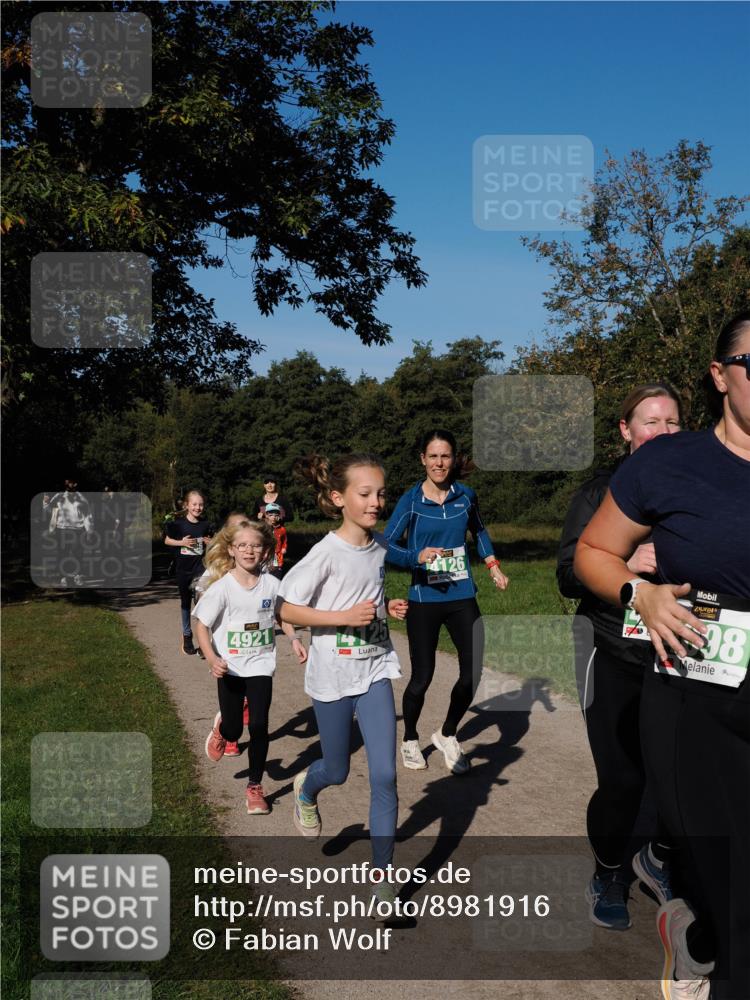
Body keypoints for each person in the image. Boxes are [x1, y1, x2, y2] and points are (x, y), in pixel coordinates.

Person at [574, 312, 750, 1000]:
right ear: (720, 375)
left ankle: (693, 935)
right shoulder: (669, 463)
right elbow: (592, 552)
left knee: (733, 904)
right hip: (695, 706)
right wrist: (637, 594)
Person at [557, 383, 683, 931]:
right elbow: (567, 575)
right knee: (624, 779)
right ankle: (609, 870)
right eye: (650, 421)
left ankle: (656, 857)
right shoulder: (599, 494)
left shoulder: (696, 490)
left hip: (676, 654)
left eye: (673, 422)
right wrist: (626, 560)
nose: (661, 431)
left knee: (678, 777)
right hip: (607, 647)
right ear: (626, 432)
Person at [278, 453, 408, 904]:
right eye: (365, 494)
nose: (377, 502)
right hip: (333, 676)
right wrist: (341, 617)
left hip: (373, 670)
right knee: (337, 770)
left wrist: (385, 608)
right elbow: (286, 609)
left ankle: (383, 880)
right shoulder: (324, 553)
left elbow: (367, 596)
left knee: (386, 775)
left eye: (381, 493)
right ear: (339, 498)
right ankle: (306, 790)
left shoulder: (379, 549)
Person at [384, 429, 508, 774]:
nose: (440, 463)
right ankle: (409, 738)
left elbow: (479, 531)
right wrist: (416, 556)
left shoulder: (466, 496)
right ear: (423, 459)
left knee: (473, 670)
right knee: (423, 677)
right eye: (433, 456)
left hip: (461, 594)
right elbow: (387, 545)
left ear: (454, 459)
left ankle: (447, 733)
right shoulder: (410, 501)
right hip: (424, 597)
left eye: (446, 456)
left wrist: (493, 565)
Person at [194, 519, 307, 815]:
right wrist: (211, 658)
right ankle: (223, 729)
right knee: (234, 731)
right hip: (229, 667)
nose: (249, 550)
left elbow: (282, 614)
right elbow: (201, 626)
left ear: (266, 550)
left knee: (258, 726)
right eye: (242, 545)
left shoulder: (272, 584)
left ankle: (255, 786)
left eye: (256, 545)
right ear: (231, 549)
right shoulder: (222, 588)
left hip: (260, 665)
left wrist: (293, 638)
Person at [194, 511, 252, 755]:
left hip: (252, 643)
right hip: (225, 645)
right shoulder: (215, 570)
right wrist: (204, 644)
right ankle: (228, 733)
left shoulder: (256, 564)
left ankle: (232, 723)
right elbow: (199, 604)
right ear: (227, 540)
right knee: (234, 690)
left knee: (251, 692)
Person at [164, 490, 214, 655]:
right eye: (194, 504)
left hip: (200, 568)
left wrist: (210, 542)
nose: (198, 507)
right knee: (186, 603)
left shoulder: (205, 524)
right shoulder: (178, 524)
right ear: (187, 505)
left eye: (200, 504)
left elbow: (214, 542)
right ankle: (187, 635)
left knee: (202, 602)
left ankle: (204, 643)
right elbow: (167, 540)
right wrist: (182, 542)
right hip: (183, 569)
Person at [42, 478, 94, 586]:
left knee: (77, 554)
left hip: (77, 530)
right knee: (62, 554)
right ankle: (63, 577)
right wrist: (45, 503)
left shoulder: (82, 498)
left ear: (75, 484)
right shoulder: (59, 496)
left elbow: (88, 516)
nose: (68, 484)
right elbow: (49, 511)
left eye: (70, 482)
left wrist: (89, 531)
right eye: (66, 482)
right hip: (61, 529)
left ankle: (78, 576)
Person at [264, 502, 287, 579]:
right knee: (264, 574)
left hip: (277, 555)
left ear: (279, 516)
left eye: (276, 515)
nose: (273, 517)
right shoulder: (263, 528)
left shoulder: (282, 529)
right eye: (271, 515)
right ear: (266, 515)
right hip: (264, 555)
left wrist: (284, 548)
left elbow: (284, 540)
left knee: (276, 573)